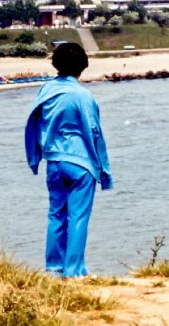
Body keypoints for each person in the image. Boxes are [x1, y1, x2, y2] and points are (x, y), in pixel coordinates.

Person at [24, 42, 113, 278]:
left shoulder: (46, 90)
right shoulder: (83, 96)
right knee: (78, 217)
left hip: (54, 161)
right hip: (80, 163)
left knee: (56, 214)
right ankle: (74, 271)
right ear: (83, 66)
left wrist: (35, 156)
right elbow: (95, 133)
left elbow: (35, 122)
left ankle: (53, 268)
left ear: (56, 64)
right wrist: (104, 171)